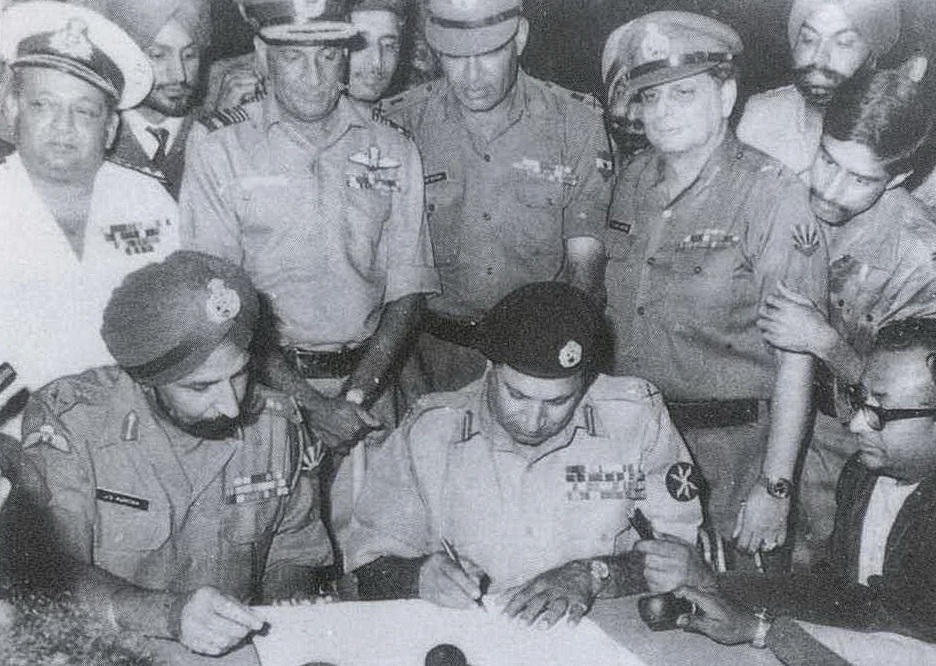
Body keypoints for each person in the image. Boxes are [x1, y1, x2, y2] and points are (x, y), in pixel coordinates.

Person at [180, 0, 439, 550]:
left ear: (346, 56)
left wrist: (353, 399)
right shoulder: (221, 146)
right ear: (261, 56)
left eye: (328, 56)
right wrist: (309, 403)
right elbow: (219, 298)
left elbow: (408, 287)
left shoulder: (391, 146)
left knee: (374, 557)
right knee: (270, 560)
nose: (316, 77)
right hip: (261, 395)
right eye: (295, 59)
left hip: (368, 392)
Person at [15, 250, 334, 656]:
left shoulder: (276, 423)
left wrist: (280, 614)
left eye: (238, 376)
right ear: (147, 380)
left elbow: (294, 549)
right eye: (200, 387)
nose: (232, 407)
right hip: (109, 648)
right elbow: (50, 572)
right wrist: (166, 614)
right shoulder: (72, 423)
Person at [602, 11, 829, 571]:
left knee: (731, 611)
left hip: (732, 455)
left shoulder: (773, 196)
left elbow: (794, 360)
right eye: (650, 97)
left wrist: (774, 488)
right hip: (636, 445)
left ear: (726, 95)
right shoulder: (631, 181)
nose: (663, 112)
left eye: (683, 93)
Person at [346, 282, 703, 627]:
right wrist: (418, 576)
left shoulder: (634, 417)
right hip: (477, 637)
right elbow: (370, 566)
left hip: (601, 635)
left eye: (558, 402)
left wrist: (595, 574)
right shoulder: (430, 432)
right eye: (517, 396)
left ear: (587, 380)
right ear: (490, 368)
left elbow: (677, 555)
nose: (533, 422)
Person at [380, 0, 613, 394]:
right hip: (428, 355)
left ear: (519, 37)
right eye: (454, 57)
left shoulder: (576, 124)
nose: (471, 76)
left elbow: (584, 268)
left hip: (536, 356)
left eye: (488, 54)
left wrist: (555, 360)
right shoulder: (400, 123)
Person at [755, 62, 936, 569]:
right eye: (827, 162)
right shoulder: (777, 198)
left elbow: (918, 410)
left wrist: (824, 343)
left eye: (860, 179)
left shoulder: (919, 259)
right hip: (759, 431)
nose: (831, 191)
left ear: (898, 176)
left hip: (850, 453)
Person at [666, 317, 936, 652]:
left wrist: (758, 629)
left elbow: (896, 619)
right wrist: (714, 583)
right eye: (860, 400)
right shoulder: (862, 474)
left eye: (882, 410)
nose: (855, 424)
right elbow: (836, 590)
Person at [0, 0, 180, 436]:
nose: (64, 126)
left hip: (137, 438)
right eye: (43, 105)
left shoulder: (147, 199)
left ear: (112, 128)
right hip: (14, 445)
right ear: (11, 107)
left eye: (85, 111)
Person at [736, 0, 901, 179]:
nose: (819, 59)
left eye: (844, 43)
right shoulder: (762, 114)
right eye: (808, 40)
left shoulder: (890, 134)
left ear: (872, 57)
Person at [203, 0, 405, 114]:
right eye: (359, 44)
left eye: (389, 45)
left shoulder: (413, 114)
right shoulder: (229, 89)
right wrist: (224, 122)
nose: (376, 63)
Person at [96, 0, 211, 200]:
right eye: (158, 56)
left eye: (189, 55)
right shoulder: (96, 136)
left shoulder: (215, 133)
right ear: (122, 57)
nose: (179, 75)